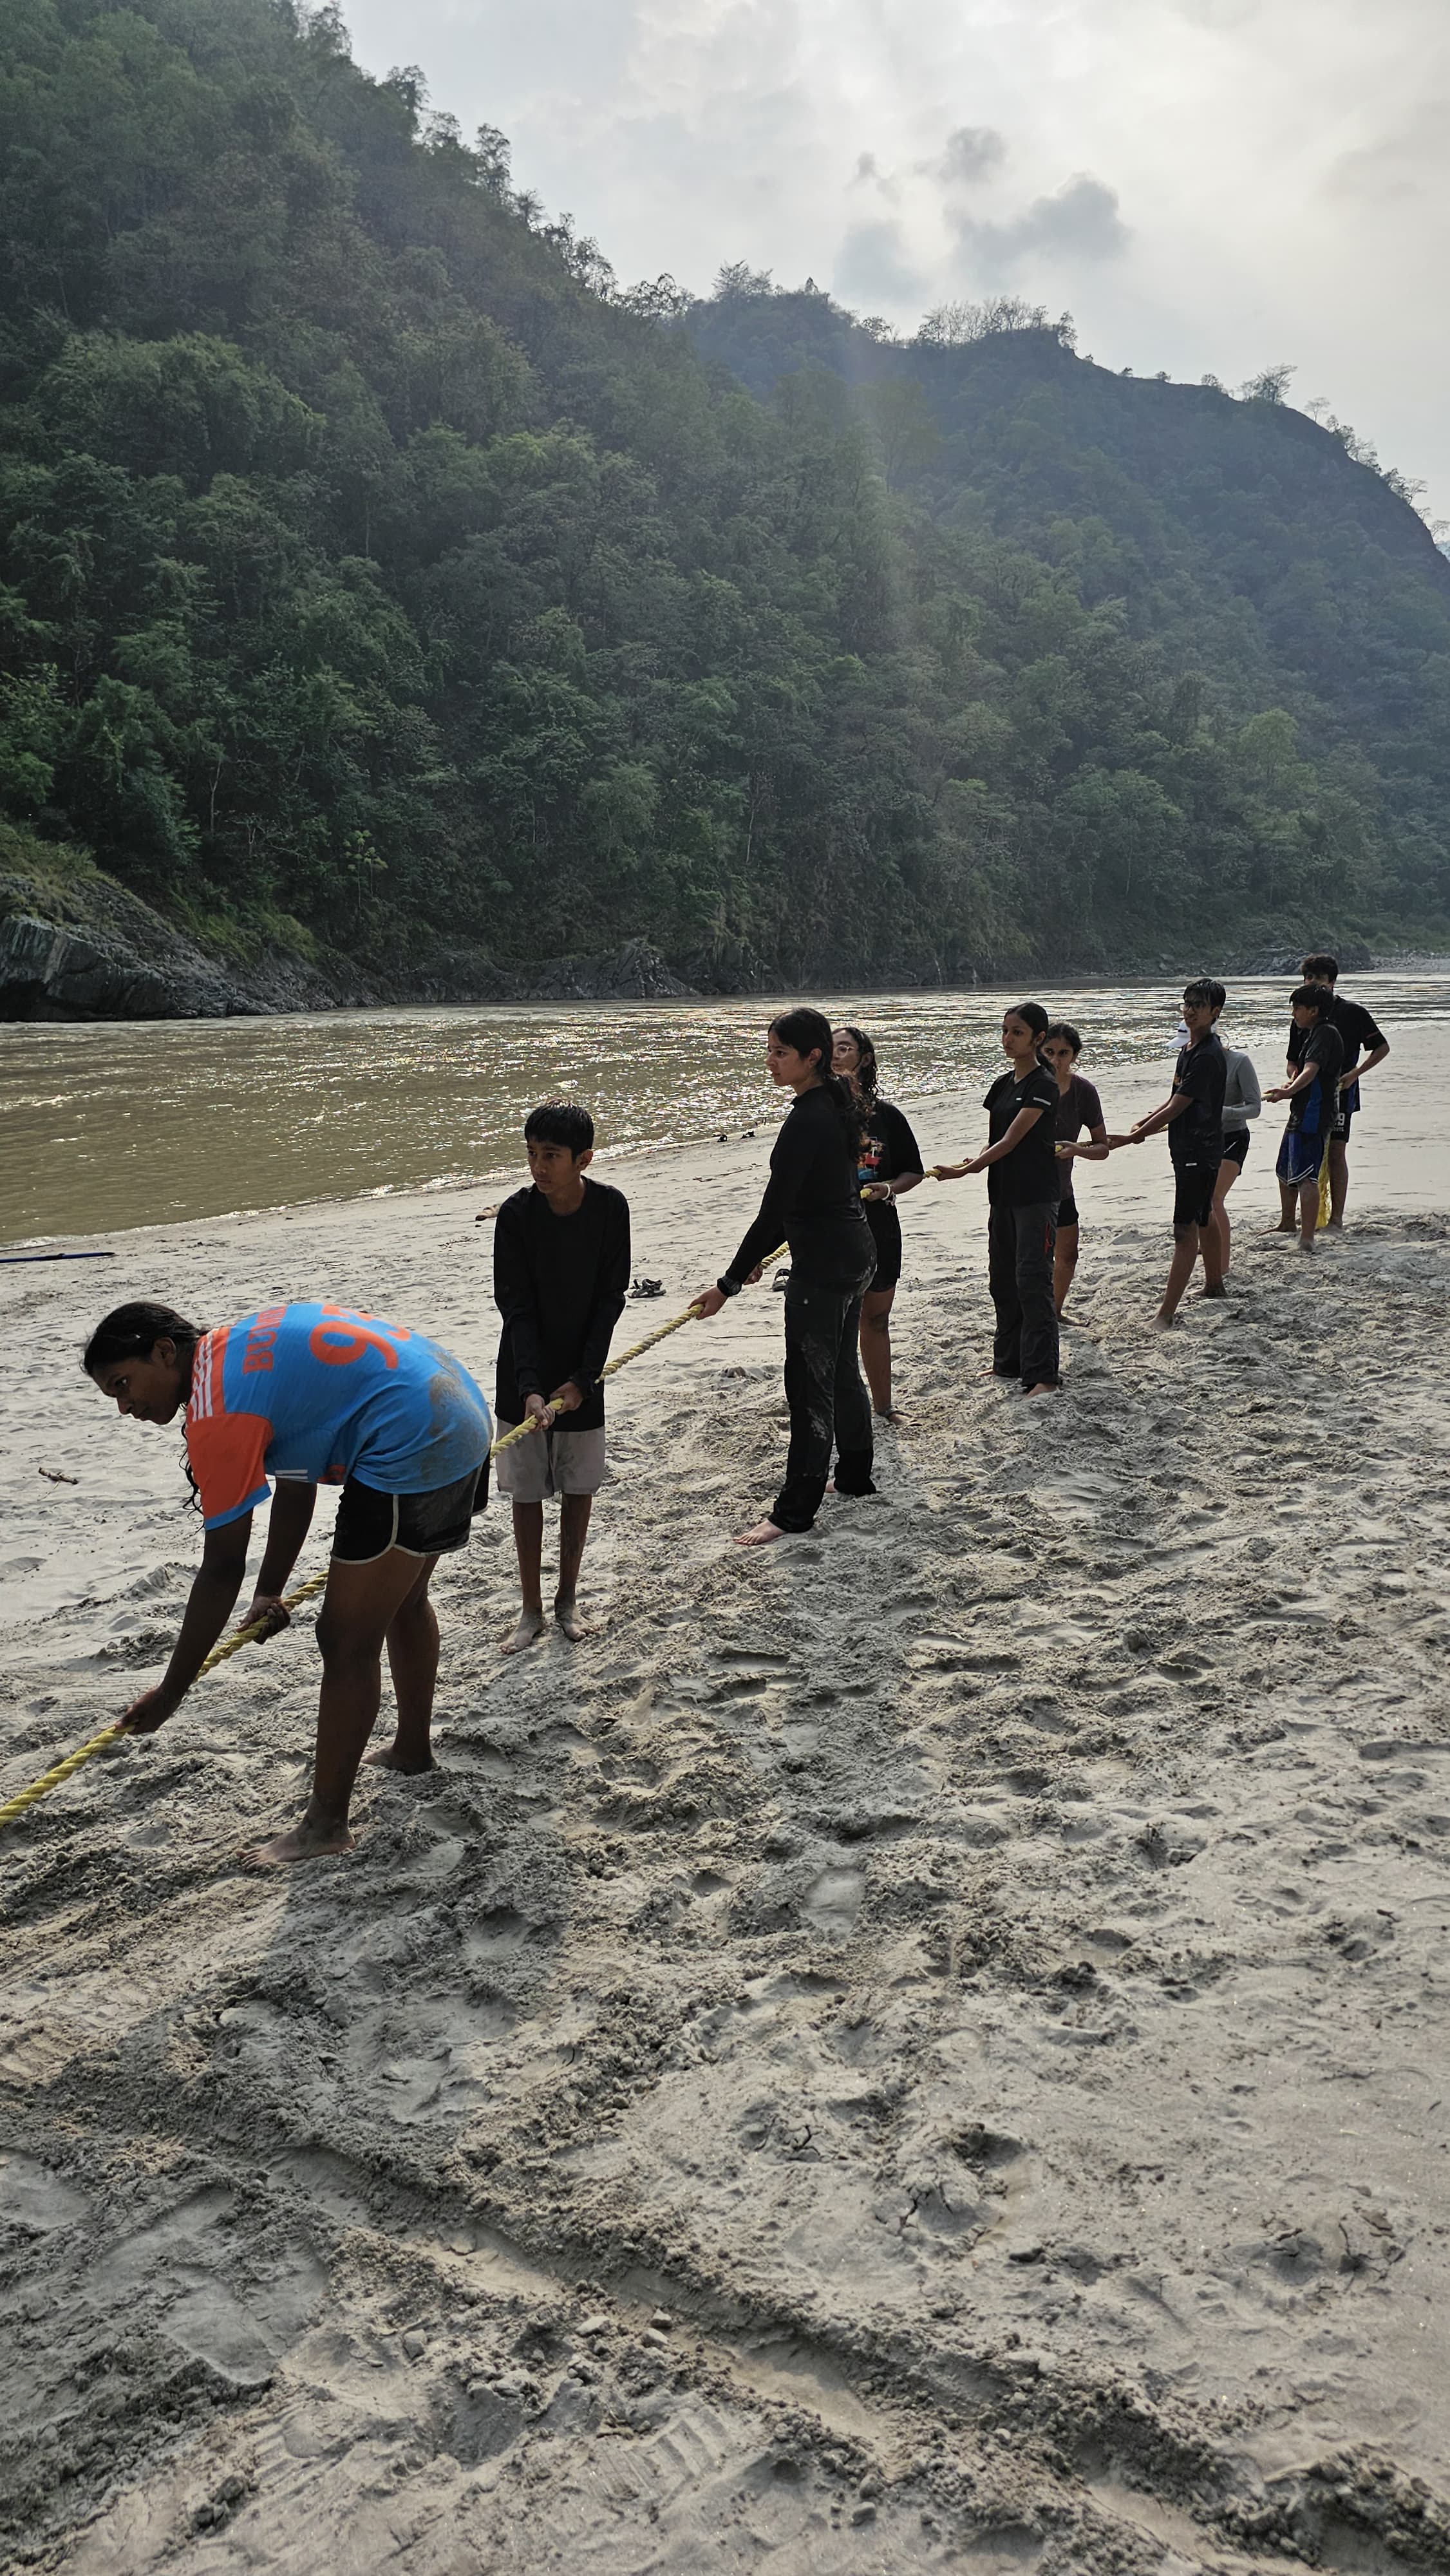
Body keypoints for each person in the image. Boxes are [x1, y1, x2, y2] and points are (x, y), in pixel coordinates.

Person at [83, 1298, 493, 1866]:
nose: (126, 1406)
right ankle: (411, 1750)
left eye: (125, 1384)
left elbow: (222, 1566)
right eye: (114, 1397)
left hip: (415, 1439)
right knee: (404, 1600)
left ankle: (325, 1825)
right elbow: (297, 1477)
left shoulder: (217, 1413)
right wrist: (269, 1590)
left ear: (163, 1351)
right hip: (459, 1408)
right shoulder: (228, 1350)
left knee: (346, 1640)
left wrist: (172, 1691)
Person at [694, 1008, 876, 1544]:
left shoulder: (808, 1118)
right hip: (854, 1252)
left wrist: (726, 1284)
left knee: (808, 1386)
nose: (769, 1062)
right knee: (842, 1371)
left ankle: (794, 1512)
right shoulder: (837, 1102)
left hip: (824, 1267)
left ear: (811, 1058)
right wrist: (754, 1259)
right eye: (768, 1051)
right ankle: (854, 1477)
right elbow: (803, 1202)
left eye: (780, 1053)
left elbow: (775, 1212)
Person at [493, 1101, 630, 1651]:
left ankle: (567, 1601)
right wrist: (530, 1388)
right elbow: (515, 1305)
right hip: (521, 1370)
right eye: (531, 1154)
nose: (538, 1167)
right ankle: (530, 1610)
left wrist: (583, 1379)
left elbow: (609, 1299)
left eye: (551, 1156)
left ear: (584, 1159)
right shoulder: (516, 1215)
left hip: (583, 1373)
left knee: (577, 1487)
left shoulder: (610, 1209)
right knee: (526, 1492)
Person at [935, 1003, 1061, 1395]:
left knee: (1032, 1281)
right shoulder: (1003, 1085)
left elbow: (1012, 1140)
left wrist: (966, 1170)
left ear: (1038, 1038)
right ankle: (1008, 1363)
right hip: (1002, 1195)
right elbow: (995, 1141)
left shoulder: (1044, 1084)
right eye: (1005, 1031)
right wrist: (977, 1161)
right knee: (1002, 1281)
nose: (1008, 1039)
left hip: (1035, 1197)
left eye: (1017, 1032)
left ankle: (1043, 1375)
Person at [1106, 978, 1227, 1327]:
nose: (1190, 1011)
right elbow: (1173, 1098)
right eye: (1187, 1004)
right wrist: (1143, 1123)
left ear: (1214, 1012)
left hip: (1198, 1149)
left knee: (1185, 1229)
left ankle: (1166, 1314)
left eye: (1198, 1006)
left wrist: (1134, 1138)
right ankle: (1215, 1285)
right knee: (1204, 1216)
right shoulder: (1188, 1050)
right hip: (1193, 1146)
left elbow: (1179, 1106)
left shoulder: (1207, 1055)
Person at [831, 1024, 925, 1421]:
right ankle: (843, 1410)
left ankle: (883, 1407)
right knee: (837, 1326)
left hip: (880, 1228)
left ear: (864, 1060)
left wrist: (887, 1189)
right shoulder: (818, 1116)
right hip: (834, 1233)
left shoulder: (887, 1117)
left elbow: (913, 1172)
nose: (836, 1055)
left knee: (875, 1317)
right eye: (830, 1048)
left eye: (845, 1048)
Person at [1274, 952, 1389, 1232]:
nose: (1315, 983)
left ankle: (1336, 1219)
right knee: (1293, 1151)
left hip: (1341, 1092)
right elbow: (1293, 1060)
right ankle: (1288, 1220)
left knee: (1336, 1152)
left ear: (1333, 982)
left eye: (1320, 979)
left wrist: (1355, 1074)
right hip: (1305, 1094)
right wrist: (1293, 1080)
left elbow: (1382, 1048)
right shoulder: (1301, 1015)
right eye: (1309, 978)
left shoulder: (1352, 1013)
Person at [1266, 985, 1345, 1252]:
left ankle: (1307, 1239)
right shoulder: (1311, 1033)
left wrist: (1287, 1091)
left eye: (1298, 1008)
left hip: (1315, 1111)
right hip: (1302, 1109)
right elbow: (1299, 1068)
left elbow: (1311, 1070)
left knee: (1306, 1175)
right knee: (1285, 1167)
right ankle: (1288, 1223)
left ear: (1314, 1010)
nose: (1294, 1013)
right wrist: (1291, 1086)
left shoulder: (1325, 1033)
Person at [1040, 1023, 1109, 1319]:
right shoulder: (1027, 1086)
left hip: (1061, 1188)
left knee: (1067, 1255)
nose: (1056, 1060)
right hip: (1027, 1189)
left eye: (1063, 1053)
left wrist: (1076, 1149)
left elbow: (1102, 1147)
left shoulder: (1083, 1092)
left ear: (1075, 1055)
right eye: (1050, 1052)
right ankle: (1033, 1316)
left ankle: (1055, 1311)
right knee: (1032, 1260)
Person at [1210, 1034, 1261, 1275]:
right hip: (1204, 1139)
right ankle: (1207, 1244)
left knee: (1214, 1199)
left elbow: (1255, 1107)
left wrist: (1226, 1113)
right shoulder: (1191, 1060)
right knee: (1201, 1200)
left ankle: (1223, 1267)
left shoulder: (1240, 1062)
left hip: (1234, 1136)